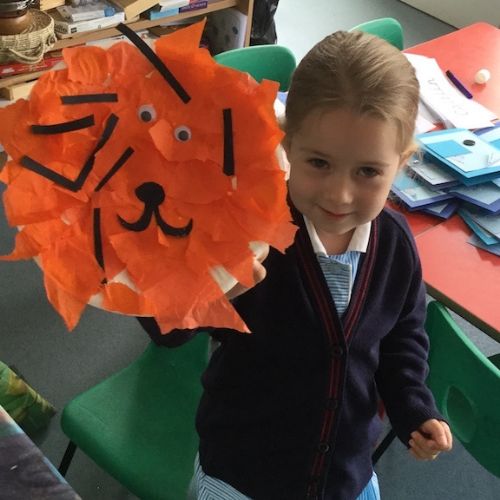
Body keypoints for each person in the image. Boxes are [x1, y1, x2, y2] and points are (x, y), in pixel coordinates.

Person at [143, 30, 453, 500]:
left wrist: (413, 406)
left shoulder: (394, 244)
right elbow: (164, 329)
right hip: (242, 476)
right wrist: (205, 295)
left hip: (345, 476)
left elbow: (402, 337)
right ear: (286, 144)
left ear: (402, 162)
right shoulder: (248, 229)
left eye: (368, 172)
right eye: (319, 163)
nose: (340, 195)